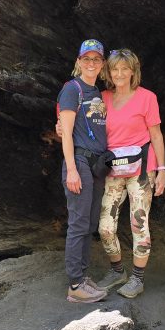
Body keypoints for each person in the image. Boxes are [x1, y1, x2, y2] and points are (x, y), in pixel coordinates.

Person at [93, 49, 165, 298]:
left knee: (139, 223)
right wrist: (62, 126)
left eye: (125, 68)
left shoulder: (147, 98)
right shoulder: (101, 98)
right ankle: (117, 271)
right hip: (114, 169)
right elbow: (85, 125)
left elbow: (156, 135)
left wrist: (162, 171)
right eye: (115, 69)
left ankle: (137, 279)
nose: (120, 73)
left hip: (142, 169)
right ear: (108, 72)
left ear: (133, 71)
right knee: (105, 227)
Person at [57, 39, 110, 303]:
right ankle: (75, 285)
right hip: (78, 163)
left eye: (96, 59)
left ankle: (83, 276)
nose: (91, 63)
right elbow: (65, 132)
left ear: (102, 64)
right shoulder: (72, 89)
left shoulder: (97, 92)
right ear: (78, 62)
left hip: (96, 165)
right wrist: (72, 171)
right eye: (86, 59)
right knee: (78, 224)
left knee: (89, 224)